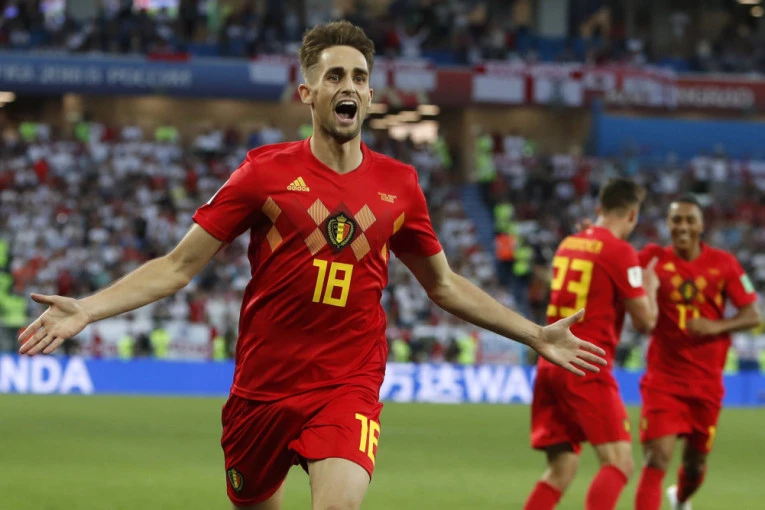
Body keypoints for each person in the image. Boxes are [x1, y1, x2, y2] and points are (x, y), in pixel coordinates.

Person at [17, 20, 606, 510]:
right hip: (262, 389)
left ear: (370, 96)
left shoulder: (400, 186)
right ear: (308, 93)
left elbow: (444, 285)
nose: (349, 86)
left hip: (347, 381)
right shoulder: (263, 174)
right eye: (335, 76)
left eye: (360, 77)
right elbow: (177, 267)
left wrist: (533, 334)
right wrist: (88, 309)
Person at [524, 178, 659, 510]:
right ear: (632, 215)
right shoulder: (620, 251)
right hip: (585, 362)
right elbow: (645, 322)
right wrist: (650, 286)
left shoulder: (569, 243)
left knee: (561, 469)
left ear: (599, 208)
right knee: (619, 463)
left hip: (550, 363)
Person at [634, 194, 761, 510]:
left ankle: (680, 500)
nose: (683, 226)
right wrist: (594, 237)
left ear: (701, 225)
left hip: (706, 385)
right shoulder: (653, 258)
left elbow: (753, 315)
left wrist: (716, 326)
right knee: (657, 458)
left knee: (694, 465)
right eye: (676, 219)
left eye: (690, 220)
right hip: (663, 380)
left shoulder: (724, 263)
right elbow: (617, 264)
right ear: (667, 224)